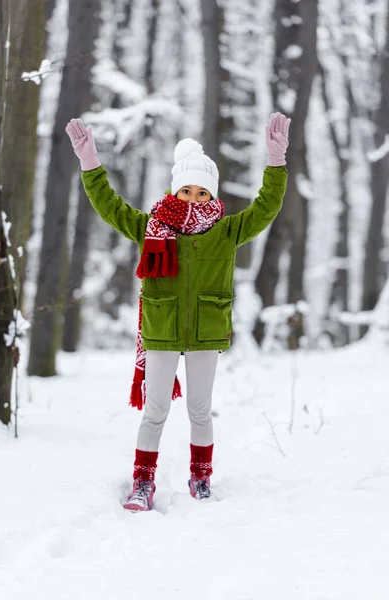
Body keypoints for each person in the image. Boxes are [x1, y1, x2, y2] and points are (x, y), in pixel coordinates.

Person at [65, 112, 290, 511]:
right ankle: (142, 483)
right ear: (175, 191)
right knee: (155, 411)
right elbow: (109, 206)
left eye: (202, 193)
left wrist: (276, 162)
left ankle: (201, 479)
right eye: (186, 190)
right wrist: (90, 164)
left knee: (200, 410)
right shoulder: (150, 226)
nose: (193, 198)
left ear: (212, 196)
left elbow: (267, 207)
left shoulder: (227, 231)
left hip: (206, 330)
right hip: (162, 328)